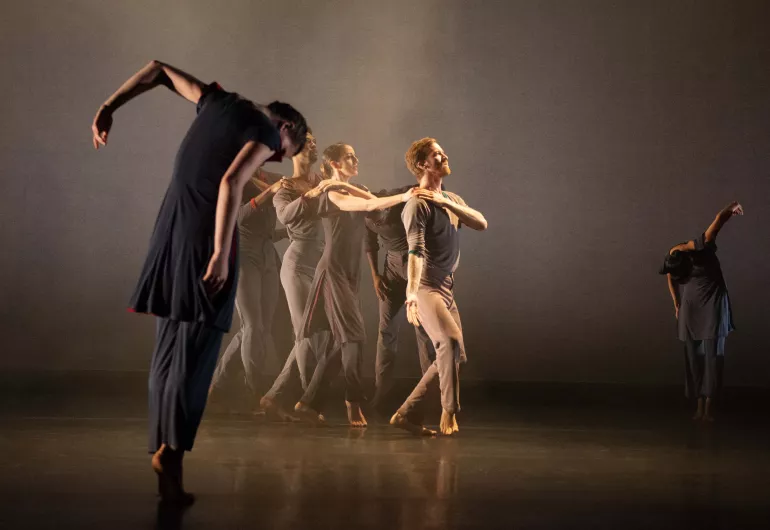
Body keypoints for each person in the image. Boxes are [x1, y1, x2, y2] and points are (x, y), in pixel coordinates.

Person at [91, 60, 307, 503]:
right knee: (199, 350)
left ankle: (167, 462)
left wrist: (109, 106)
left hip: (168, 232)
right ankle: (172, 452)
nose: (277, 157)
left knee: (169, 347)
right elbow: (230, 182)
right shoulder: (265, 130)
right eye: (284, 150)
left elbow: (156, 70)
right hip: (204, 238)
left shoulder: (218, 101)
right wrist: (218, 255)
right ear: (284, 126)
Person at [291, 143, 417, 427]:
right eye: (349, 156)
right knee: (354, 337)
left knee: (340, 342)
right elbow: (369, 204)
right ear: (334, 163)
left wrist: (402, 195)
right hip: (333, 269)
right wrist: (401, 196)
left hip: (350, 272)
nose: (356, 159)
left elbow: (370, 199)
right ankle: (353, 404)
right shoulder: (333, 193)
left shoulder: (342, 187)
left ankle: (307, 403)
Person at [390, 138, 488, 437]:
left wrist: (445, 200)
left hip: (446, 287)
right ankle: (449, 411)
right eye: (436, 153)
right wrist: (410, 295)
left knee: (456, 356)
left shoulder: (452, 199)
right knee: (450, 343)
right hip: (425, 287)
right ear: (422, 164)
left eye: (443, 151)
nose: (444, 155)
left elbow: (481, 223)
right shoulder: (416, 204)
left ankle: (406, 414)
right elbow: (415, 251)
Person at [259, 131, 333, 420]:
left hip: (320, 264)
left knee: (318, 334)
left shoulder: (320, 179)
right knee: (306, 334)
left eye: (315, 140)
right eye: (306, 140)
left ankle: (273, 396)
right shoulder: (286, 186)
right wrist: (311, 195)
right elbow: (285, 217)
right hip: (297, 265)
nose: (313, 144)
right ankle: (306, 402)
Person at [209, 167, 287, 407]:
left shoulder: (271, 178)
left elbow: (266, 230)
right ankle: (256, 391)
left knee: (257, 328)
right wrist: (269, 192)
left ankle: (219, 384)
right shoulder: (233, 179)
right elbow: (238, 219)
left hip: (266, 255)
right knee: (253, 326)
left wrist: (289, 232)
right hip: (243, 255)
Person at [660, 201, 743, 422]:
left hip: (713, 303)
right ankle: (698, 406)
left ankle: (709, 406)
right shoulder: (673, 256)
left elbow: (718, 221)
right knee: (693, 357)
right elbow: (670, 278)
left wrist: (731, 208)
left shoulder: (702, 245)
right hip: (691, 307)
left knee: (713, 356)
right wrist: (676, 303)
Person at [364, 185, 435, 415]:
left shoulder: (394, 199)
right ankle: (381, 390)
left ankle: (430, 393)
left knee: (424, 329)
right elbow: (370, 245)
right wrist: (375, 275)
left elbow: (417, 189)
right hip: (392, 266)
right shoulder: (362, 215)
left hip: (417, 262)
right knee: (386, 331)